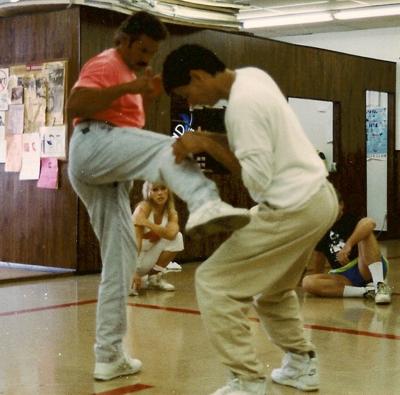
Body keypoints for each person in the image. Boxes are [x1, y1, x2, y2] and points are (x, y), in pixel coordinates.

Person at [67, 14, 250, 382]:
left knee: (121, 264)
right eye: (144, 50)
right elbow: (76, 105)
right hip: (92, 145)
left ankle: (109, 356)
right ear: (126, 40)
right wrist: (127, 87)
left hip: (106, 172)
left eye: (153, 52)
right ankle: (205, 201)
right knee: (170, 148)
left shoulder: (134, 74)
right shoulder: (106, 63)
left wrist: (140, 90)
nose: (146, 58)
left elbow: (127, 133)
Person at [162, 44, 339, 395]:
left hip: (291, 207)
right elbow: (263, 143)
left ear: (198, 76)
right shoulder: (253, 77)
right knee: (274, 291)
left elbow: (259, 182)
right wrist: (211, 140)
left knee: (214, 283)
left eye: (188, 93)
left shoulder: (240, 109)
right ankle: (302, 364)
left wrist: (209, 146)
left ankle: (246, 381)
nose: (193, 103)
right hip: (320, 198)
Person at [302, 191, 391, 304]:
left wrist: (348, 245)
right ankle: (366, 292)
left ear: (342, 205)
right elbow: (319, 261)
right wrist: (318, 283)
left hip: (364, 266)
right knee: (307, 282)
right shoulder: (321, 229)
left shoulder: (350, 218)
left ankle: (380, 286)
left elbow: (370, 222)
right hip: (343, 276)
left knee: (365, 232)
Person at [129, 181, 183, 296]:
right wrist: (132, 270)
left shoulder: (171, 212)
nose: (160, 193)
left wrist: (148, 224)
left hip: (146, 258)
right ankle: (127, 277)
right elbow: (136, 241)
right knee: (128, 290)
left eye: (163, 188)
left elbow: (172, 234)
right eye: (155, 190)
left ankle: (153, 278)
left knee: (178, 238)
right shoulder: (142, 209)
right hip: (128, 258)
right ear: (148, 193)